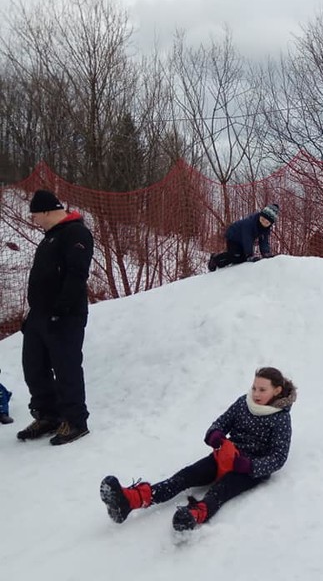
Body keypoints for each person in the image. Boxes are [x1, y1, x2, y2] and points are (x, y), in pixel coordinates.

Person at [100, 366, 297, 532]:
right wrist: (215, 435)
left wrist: (249, 466)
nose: (256, 394)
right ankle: (131, 500)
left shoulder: (280, 418)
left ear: (277, 391)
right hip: (224, 456)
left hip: (247, 470)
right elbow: (220, 423)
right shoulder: (243, 403)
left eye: (262, 390)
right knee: (185, 476)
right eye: (254, 387)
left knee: (220, 491)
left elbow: (279, 457)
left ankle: (193, 516)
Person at [17, 189, 94, 445]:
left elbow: (76, 274)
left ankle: (75, 421)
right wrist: (34, 314)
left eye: (36, 215)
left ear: (48, 211)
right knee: (34, 366)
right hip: (39, 315)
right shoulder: (50, 237)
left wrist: (61, 310)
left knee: (66, 367)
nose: (35, 220)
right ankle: (48, 415)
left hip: (65, 315)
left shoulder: (76, 233)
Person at [208, 204, 279, 271]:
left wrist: (266, 253)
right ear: (260, 215)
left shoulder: (266, 229)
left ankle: (221, 264)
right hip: (234, 236)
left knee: (242, 259)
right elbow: (247, 239)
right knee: (235, 255)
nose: (263, 223)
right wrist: (249, 254)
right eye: (263, 219)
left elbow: (264, 241)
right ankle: (215, 259)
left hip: (242, 241)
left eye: (267, 223)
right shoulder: (250, 223)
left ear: (270, 224)